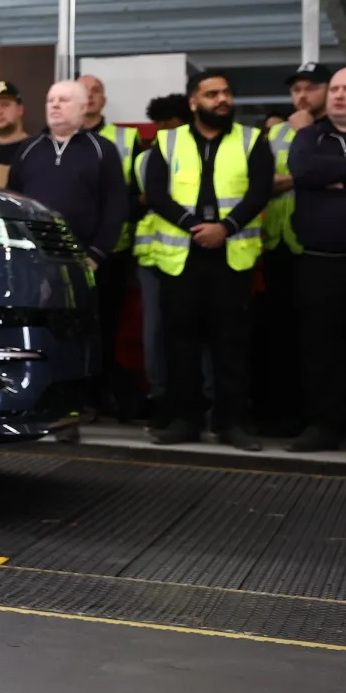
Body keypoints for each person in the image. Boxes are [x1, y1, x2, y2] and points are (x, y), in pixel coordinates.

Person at [139, 71, 274, 450]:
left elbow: (260, 191)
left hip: (231, 258)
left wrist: (225, 227)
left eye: (227, 92)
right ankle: (186, 421)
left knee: (231, 344)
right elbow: (156, 194)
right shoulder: (167, 142)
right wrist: (196, 226)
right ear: (194, 102)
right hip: (182, 258)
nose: (222, 99)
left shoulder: (252, 141)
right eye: (212, 94)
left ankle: (232, 424)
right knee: (180, 343)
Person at [6, 81, 131, 441]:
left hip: (82, 264)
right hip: (33, 265)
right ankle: (33, 405)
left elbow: (115, 207)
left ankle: (74, 410)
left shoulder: (101, 150)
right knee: (35, 335)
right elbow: (14, 202)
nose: (55, 106)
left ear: (82, 108)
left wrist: (96, 255)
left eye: (63, 101)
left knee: (80, 339)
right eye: (50, 100)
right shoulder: (28, 150)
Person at [256, 62, 330, 436]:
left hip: (321, 245)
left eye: (311, 87)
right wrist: (309, 177)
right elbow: (262, 184)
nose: (302, 96)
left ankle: (323, 417)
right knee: (281, 333)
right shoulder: (278, 132)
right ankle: (285, 416)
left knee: (320, 336)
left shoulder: (333, 131)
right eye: (296, 89)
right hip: (279, 244)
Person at [284, 66, 346, 452]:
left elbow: (318, 176)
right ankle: (324, 426)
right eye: (337, 89)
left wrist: (335, 178)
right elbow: (304, 170)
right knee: (321, 349)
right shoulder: (309, 136)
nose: (340, 95)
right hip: (319, 261)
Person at [77, 73, 140, 417]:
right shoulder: (59, 140)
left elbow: (137, 194)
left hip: (111, 252)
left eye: (96, 92)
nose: (89, 97)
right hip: (69, 253)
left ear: (103, 100)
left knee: (109, 326)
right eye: (82, 91)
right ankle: (80, 396)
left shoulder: (125, 138)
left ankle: (102, 395)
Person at [132, 94, 191, 424]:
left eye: (173, 122)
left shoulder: (195, 155)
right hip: (154, 255)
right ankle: (160, 396)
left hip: (189, 254)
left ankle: (195, 399)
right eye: (162, 123)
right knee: (154, 331)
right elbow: (134, 200)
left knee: (189, 331)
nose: (167, 128)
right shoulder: (145, 159)